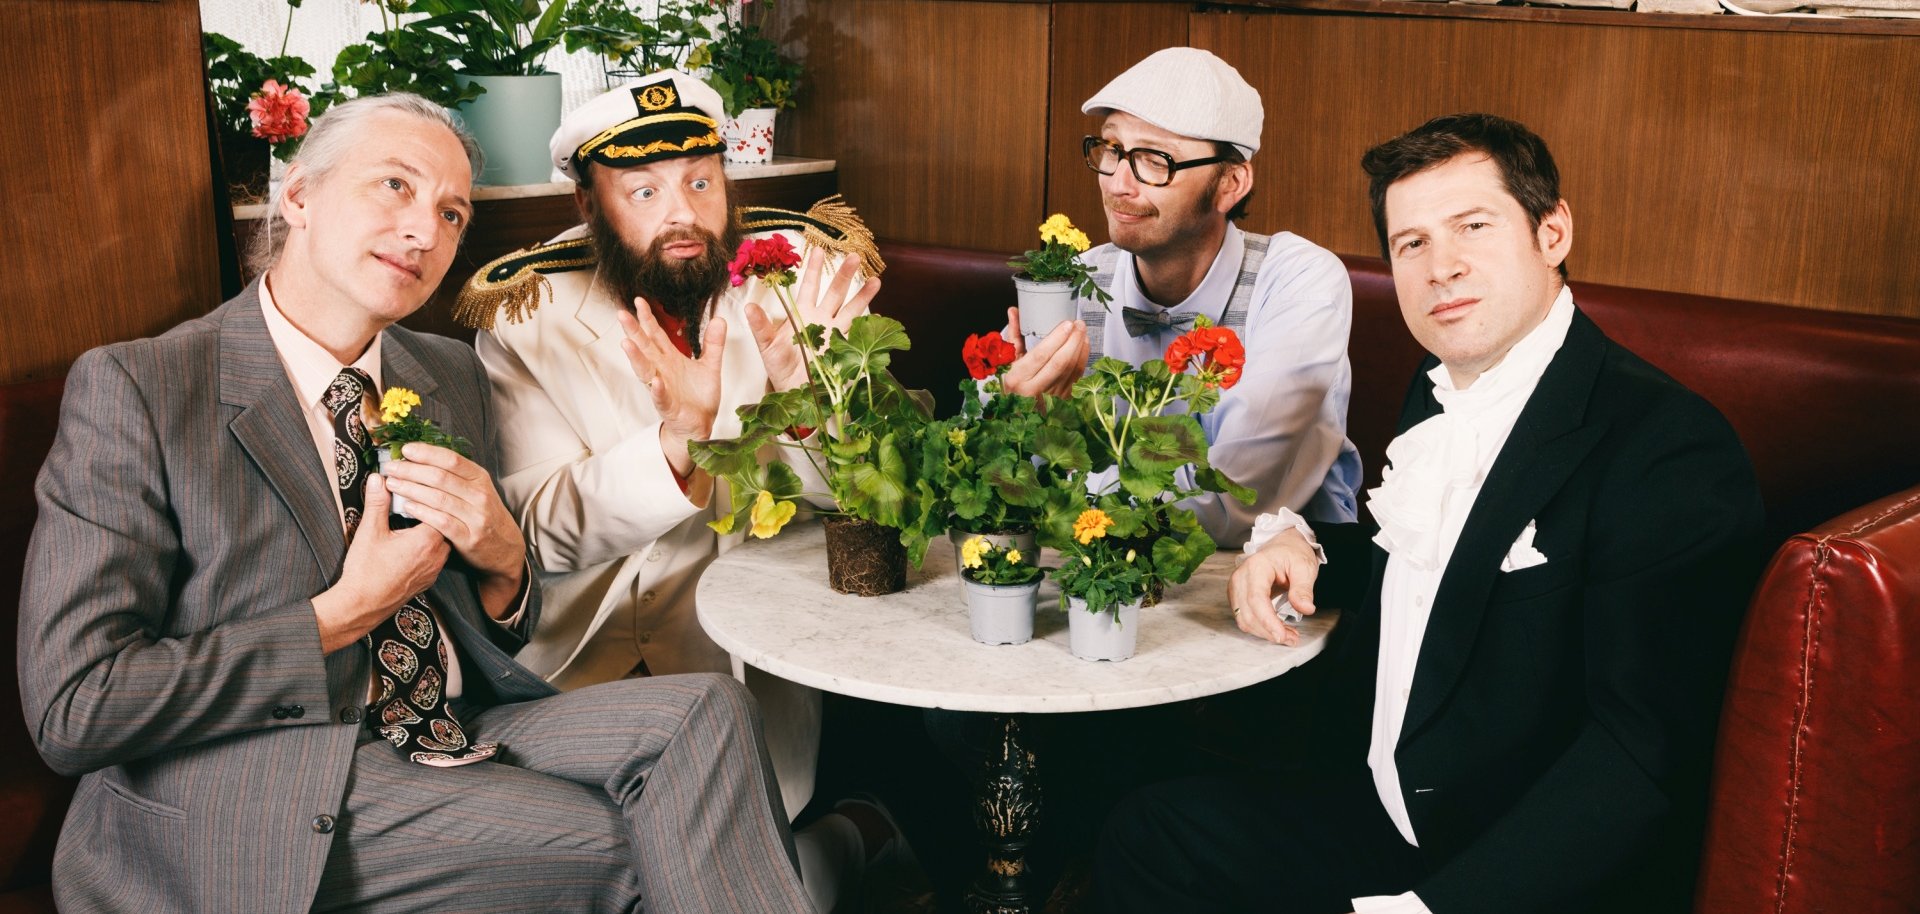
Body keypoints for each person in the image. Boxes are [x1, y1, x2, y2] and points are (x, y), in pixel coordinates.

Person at [18, 93, 810, 914]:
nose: (425, 231)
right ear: (299, 194)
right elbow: (76, 707)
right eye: (394, 185)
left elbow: (495, 627)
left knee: (711, 708)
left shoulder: (446, 371)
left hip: (450, 722)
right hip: (261, 776)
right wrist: (339, 617)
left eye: (452, 212)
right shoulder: (140, 387)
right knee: (645, 840)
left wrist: (505, 566)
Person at [1094, 113, 1766, 914]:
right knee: (1150, 831)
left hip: (1515, 866)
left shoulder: (1668, 448)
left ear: (1552, 233)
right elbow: (1443, 568)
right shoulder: (1441, 381)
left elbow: (1640, 758)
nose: (1441, 268)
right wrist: (1304, 545)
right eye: (1411, 243)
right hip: (1386, 812)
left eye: (1472, 227)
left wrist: (1429, 908)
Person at [457, 71, 897, 911]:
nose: (682, 214)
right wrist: (675, 443)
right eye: (644, 191)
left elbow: (860, 504)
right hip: (576, 664)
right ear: (587, 205)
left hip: (743, 668)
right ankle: (850, 842)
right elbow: (538, 529)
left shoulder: (797, 283)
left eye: (700, 181)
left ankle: (841, 840)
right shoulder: (528, 312)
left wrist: (810, 407)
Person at [1001, 46, 1363, 544]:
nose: (1118, 184)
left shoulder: (1296, 281)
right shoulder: (1074, 280)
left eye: (1155, 160)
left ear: (1230, 183)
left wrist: (1051, 470)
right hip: (1093, 569)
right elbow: (988, 467)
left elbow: (1232, 504)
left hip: (1277, 575)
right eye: (1112, 149)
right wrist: (1015, 419)